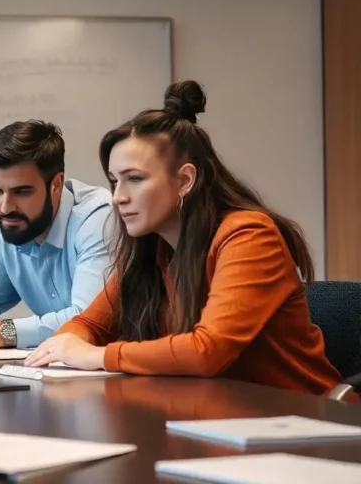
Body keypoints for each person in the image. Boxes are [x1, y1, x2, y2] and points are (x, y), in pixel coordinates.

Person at [25, 80, 345, 396]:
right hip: (217, 417)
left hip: (304, 423)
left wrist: (99, 356)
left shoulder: (249, 236)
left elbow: (208, 351)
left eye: (134, 180)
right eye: (114, 181)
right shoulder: (152, 250)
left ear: (185, 180)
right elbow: (89, 327)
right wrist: (70, 345)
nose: (118, 197)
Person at [0, 120, 113, 349]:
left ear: (56, 185)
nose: (5, 207)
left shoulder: (98, 218)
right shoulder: (11, 226)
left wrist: (3, 332)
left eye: (21, 191)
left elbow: (88, 320)